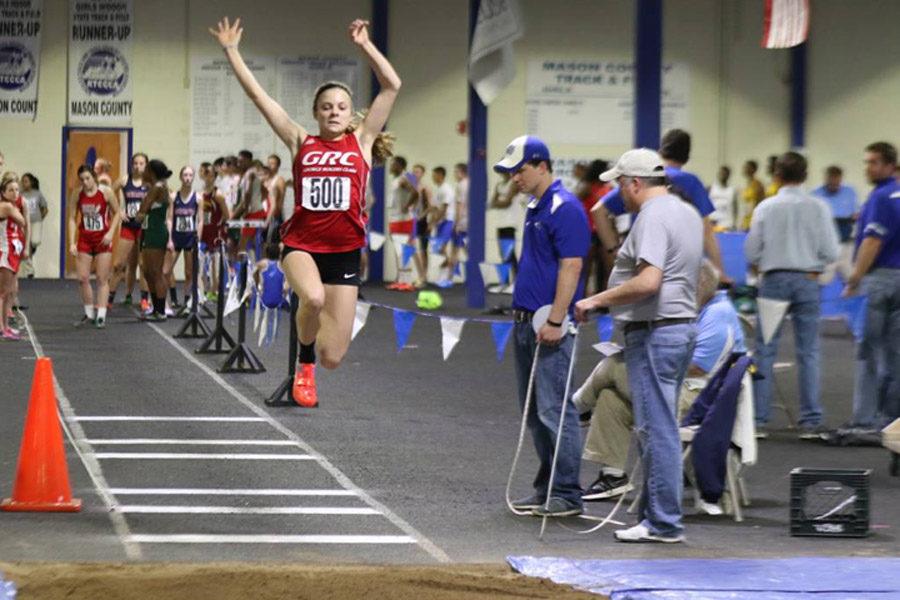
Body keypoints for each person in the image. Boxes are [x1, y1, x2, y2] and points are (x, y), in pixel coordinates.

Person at [212, 15, 401, 407]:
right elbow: (260, 99)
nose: (334, 112)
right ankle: (303, 361)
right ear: (316, 112)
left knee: (335, 356)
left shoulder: (362, 143)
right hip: (301, 245)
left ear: (351, 115)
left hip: (345, 252)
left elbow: (392, 85)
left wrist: (365, 45)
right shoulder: (301, 141)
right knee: (312, 300)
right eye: (326, 107)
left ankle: (316, 357)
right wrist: (232, 51)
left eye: (341, 107)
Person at [575, 148, 703, 543]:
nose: (619, 193)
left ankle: (663, 522)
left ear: (634, 183)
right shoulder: (687, 213)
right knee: (658, 425)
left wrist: (596, 300)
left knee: (656, 428)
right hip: (677, 327)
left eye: (620, 185)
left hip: (655, 331)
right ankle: (655, 516)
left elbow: (649, 282)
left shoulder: (651, 217)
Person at [575, 260, 745, 505]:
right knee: (610, 398)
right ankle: (613, 476)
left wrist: (655, 359)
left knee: (614, 364)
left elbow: (697, 368)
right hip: (683, 388)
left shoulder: (717, 314)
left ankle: (576, 408)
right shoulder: (707, 308)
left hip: (695, 398)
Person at [494, 135, 590, 519]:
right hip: (527, 323)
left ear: (541, 165)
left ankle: (566, 492)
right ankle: (548, 486)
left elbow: (572, 266)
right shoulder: (537, 206)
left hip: (549, 324)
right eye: (512, 172)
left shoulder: (564, 208)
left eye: (520, 170)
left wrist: (555, 319)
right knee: (535, 413)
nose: (514, 177)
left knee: (554, 410)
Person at [744, 151, 839, 439]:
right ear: (806, 176)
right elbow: (832, 251)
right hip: (807, 280)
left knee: (765, 350)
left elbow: (751, 251)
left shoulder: (766, 207)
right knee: (808, 351)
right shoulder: (819, 207)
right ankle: (810, 421)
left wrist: (764, 265)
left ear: (777, 176)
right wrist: (814, 266)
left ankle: (759, 421)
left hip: (773, 280)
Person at [590, 129, 729, 287]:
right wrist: (720, 272)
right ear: (687, 155)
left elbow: (598, 211)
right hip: (678, 268)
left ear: (661, 149)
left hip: (642, 262)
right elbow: (707, 232)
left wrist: (614, 251)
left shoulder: (644, 179)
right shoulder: (690, 183)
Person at [843, 142, 900, 432]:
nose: (869, 168)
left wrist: (854, 277)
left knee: (868, 350)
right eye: (867, 162)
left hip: (879, 280)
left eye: (874, 162)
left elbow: (872, 241)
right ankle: (891, 418)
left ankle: (863, 418)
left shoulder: (880, 196)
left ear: (891, 165)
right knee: (895, 353)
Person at [68, 165, 120, 328]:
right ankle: (89, 313)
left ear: (94, 177)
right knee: (82, 278)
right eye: (82, 179)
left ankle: (101, 316)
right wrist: (72, 242)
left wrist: (111, 233)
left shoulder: (106, 192)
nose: (85, 182)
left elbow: (118, 212)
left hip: (102, 240)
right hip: (85, 239)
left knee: (101, 278)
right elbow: (71, 218)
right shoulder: (77, 194)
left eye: (88, 178)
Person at [108, 153, 149, 308]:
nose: (138, 166)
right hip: (128, 227)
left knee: (143, 265)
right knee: (119, 264)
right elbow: (109, 193)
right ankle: (109, 299)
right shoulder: (125, 180)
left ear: (146, 165)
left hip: (144, 228)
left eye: (141, 163)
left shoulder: (150, 183)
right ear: (132, 165)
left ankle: (144, 299)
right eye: (136, 163)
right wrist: (119, 211)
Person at [135, 159, 173, 321]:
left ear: (152, 172)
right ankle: (156, 307)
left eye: (147, 169)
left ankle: (161, 310)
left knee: (156, 272)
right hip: (150, 231)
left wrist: (140, 214)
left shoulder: (157, 188)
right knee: (148, 272)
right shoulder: (158, 187)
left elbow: (142, 210)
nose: (143, 172)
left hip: (156, 232)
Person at [813, 165, 859, 282]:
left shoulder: (850, 191)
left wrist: (854, 216)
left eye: (836, 183)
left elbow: (857, 213)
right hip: (824, 244)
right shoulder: (815, 194)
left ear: (841, 179)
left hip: (846, 242)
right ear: (825, 179)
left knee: (852, 280)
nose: (834, 186)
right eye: (831, 183)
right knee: (822, 280)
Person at [165, 166, 200, 308]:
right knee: (166, 270)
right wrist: (169, 239)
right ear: (180, 177)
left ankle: (187, 300)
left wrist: (199, 237)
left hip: (190, 238)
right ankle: (171, 299)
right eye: (185, 175)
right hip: (176, 237)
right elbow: (169, 218)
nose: (188, 178)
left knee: (189, 272)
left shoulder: (198, 198)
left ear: (193, 177)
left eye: (190, 175)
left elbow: (201, 219)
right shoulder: (174, 197)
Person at [197, 162, 230, 298]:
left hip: (215, 231)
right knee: (200, 261)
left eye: (209, 173)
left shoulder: (218, 195)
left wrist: (222, 227)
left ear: (214, 176)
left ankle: (214, 290)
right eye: (204, 173)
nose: (206, 176)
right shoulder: (199, 194)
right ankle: (202, 290)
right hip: (202, 230)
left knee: (214, 262)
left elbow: (227, 215)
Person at [0, 173, 26, 340]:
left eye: (17, 190)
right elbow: (22, 221)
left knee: (8, 292)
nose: (15, 193)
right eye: (11, 190)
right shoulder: (7, 207)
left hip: (13, 251)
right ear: (3, 191)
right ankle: (2, 328)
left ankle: (5, 326)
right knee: (3, 292)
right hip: (5, 252)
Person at [581, 160, 613, 294]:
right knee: (586, 270)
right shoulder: (587, 188)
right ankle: (581, 301)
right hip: (589, 232)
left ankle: (605, 304)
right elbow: (577, 205)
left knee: (609, 269)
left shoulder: (609, 188)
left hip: (603, 231)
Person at [431, 166, 457, 287]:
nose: (433, 177)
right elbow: (436, 208)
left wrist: (433, 222)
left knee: (442, 248)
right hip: (441, 222)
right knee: (440, 250)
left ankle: (448, 276)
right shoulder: (439, 189)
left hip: (448, 221)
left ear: (440, 175)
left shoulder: (446, 189)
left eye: (434, 175)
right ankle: (443, 275)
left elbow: (444, 208)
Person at [19, 173, 47, 279]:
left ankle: (32, 247)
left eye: (26, 181)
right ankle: (29, 270)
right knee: (27, 246)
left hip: (36, 222)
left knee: (35, 241)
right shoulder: (21, 194)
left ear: (31, 182)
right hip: (25, 223)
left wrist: (41, 218)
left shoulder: (37, 194)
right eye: (22, 181)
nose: (24, 183)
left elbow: (44, 208)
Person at [447, 162, 469, 286]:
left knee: (454, 251)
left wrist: (456, 223)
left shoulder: (460, 185)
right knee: (469, 252)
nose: (454, 174)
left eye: (455, 172)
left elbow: (460, 206)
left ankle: (448, 278)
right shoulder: (473, 184)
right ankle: (474, 278)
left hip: (462, 222)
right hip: (472, 223)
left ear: (461, 172)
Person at [265, 154, 287, 245]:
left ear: (278, 166)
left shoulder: (279, 180)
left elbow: (281, 199)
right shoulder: (266, 179)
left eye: (272, 163)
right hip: (265, 214)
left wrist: (276, 214)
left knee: (272, 244)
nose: (270, 165)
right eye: (268, 163)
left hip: (275, 216)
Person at [738, 160, 766, 231]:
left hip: (754, 219)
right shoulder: (746, 185)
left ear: (753, 169)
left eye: (747, 167)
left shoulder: (758, 184)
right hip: (745, 219)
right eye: (744, 167)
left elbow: (761, 202)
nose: (744, 169)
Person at [708, 165, 736, 230]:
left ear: (728, 175)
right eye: (721, 173)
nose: (723, 175)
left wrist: (734, 222)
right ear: (718, 174)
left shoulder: (732, 190)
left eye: (725, 174)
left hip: (727, 223)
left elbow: (735, 209)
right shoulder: (710, 188)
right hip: (713, 221)